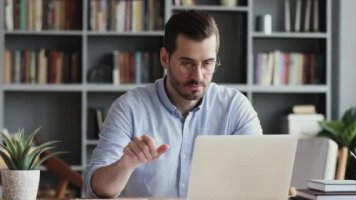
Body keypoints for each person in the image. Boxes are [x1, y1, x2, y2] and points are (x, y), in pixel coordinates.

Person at [83, 10, 263, 198]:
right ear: (164, 58)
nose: (198, 76)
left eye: (207, 63)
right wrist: (126, 163)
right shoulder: (128, 108)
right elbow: (97, 190)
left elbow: (261, 178)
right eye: (187, 63)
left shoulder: (236, 108)